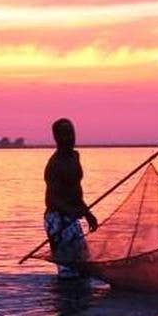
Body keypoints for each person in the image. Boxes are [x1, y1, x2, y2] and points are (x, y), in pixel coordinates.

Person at [44, 118, 99, 280]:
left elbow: (75, 192)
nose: (70, 138)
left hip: (71, 216)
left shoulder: (75, 156)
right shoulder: (55, 164)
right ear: (56, 137)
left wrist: (87, 214)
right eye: (65, 134)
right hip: (57, 219)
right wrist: (71, 211)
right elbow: (52, 200)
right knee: (69, 271)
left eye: (71, 133)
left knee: (83, 264)